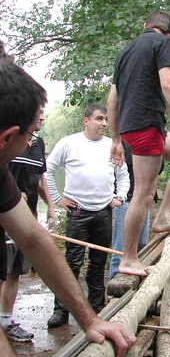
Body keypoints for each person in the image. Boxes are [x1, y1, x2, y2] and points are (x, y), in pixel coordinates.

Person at [0, 59, 135, 357]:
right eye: (31, 134)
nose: (32, 144)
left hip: (100, 212)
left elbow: (34, 237)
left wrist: (90, 320)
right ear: (6, 137)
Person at [108, 10, 170, 277]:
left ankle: (164, 216)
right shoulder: (163, 43)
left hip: (138, 127)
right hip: (145, 125)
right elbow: (168, 84)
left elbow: (112, 100)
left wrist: (116, 139)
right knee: (144, 194)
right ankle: (128, 258)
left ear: (144, 25)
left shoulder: (125, 52)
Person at [45, 104, 130, 328]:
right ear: (86, 120)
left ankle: (97, 309)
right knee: (71, 264)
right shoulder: (69, 143)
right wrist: (57, 198)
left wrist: (120, 197)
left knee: (98, 262)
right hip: (77, 212)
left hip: (103, 212)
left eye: (106, 119)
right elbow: (47, 170)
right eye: (99, 119)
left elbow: (123, 175)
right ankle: (61, 310)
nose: (104, 123)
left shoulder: (113, 145)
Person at [0, 109, 57, 342]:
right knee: (2, 270)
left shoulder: (39, 144)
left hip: (29, 218)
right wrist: (12, 193)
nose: (42, 118)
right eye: (38, 113)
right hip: (7, 216)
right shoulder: (10, 139)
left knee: (15, 271)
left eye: (43, 113)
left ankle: (6, 320)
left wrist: (50, 206)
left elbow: (40, 179)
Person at [108, 141, 151, 280]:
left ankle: (134, 280)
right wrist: (114, 196)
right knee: (121, 248)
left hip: (143, 202)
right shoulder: (120, 144)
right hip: (126, 201)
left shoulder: (150, 143)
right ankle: (114, 282)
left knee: (141, 244)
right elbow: (110, 171)